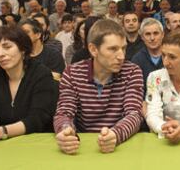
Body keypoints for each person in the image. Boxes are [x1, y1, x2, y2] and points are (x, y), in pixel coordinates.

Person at [54, 19, 144, 154]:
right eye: (113, 49)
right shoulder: (72, 73)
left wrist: (115, 134)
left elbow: (134, 113)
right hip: (84, 148)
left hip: (121, 146)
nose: (121, 56)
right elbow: (64, 112)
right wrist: (66, 131)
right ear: (93, 49)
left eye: (123, 48)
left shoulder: (132, 71)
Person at [0, 26, 58, 145]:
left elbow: (37, 119)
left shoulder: (41, 73)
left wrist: (1, 132)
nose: (1, 54)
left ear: (23, 49)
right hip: (5, 144)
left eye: (7, 47)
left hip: (40, 143)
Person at [132, 18, 164, 90]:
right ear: (142, 37)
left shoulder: (172, 56)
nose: (152, 38)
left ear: (162, 35)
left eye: (156, 33)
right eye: (148, 34)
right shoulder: (137, 60)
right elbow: (136, 89)